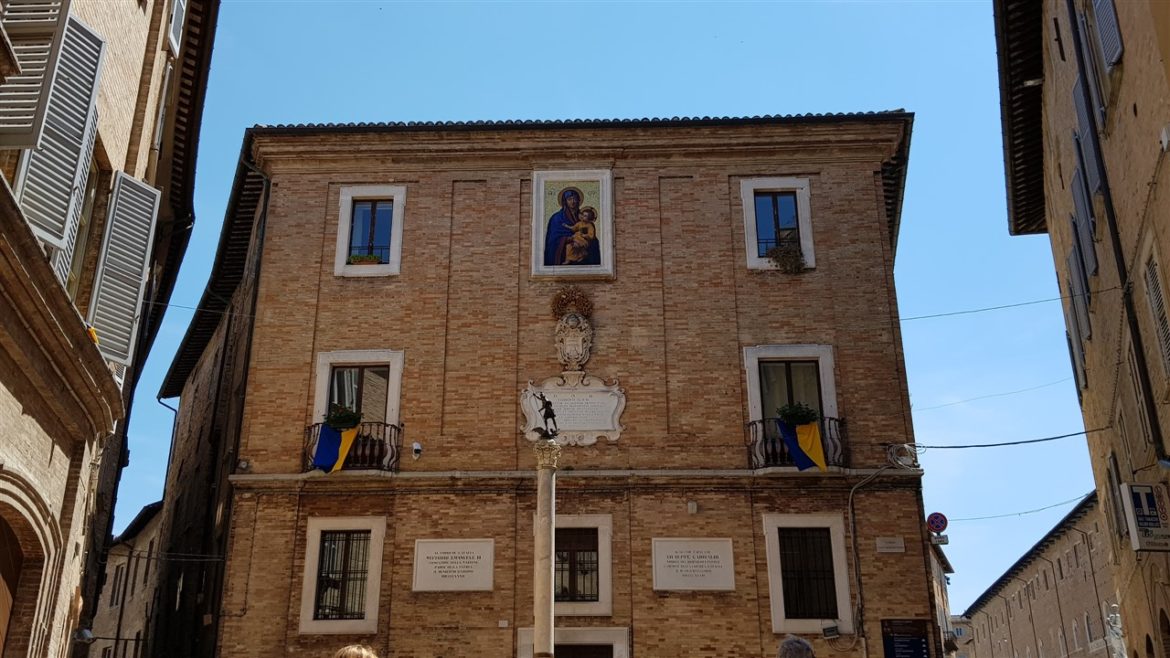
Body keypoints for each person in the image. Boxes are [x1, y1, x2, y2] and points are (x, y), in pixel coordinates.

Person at [543, 187, 582, 266]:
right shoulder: (557, 218)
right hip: (563, 253)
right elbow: (553, 239)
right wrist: (567, 239)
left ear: (578, 200)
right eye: (569, 199)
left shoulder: (583, 217)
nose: (573, 201)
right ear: (565, 202)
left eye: (575, 199)